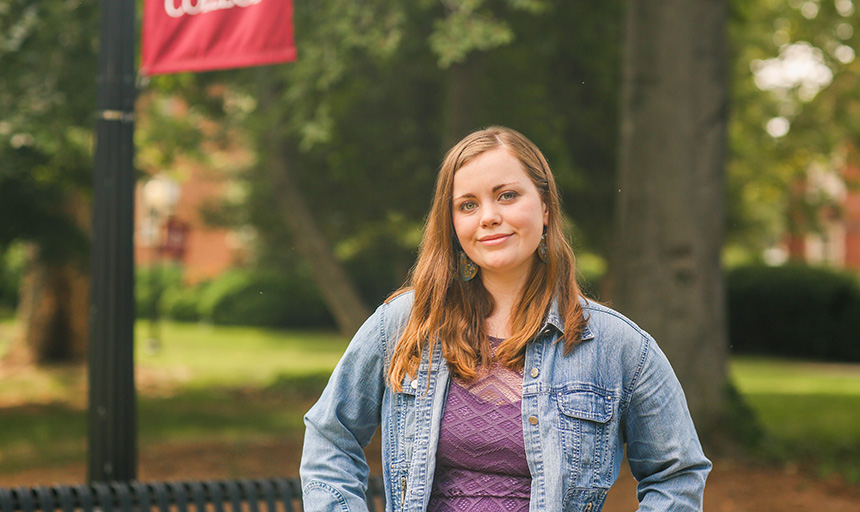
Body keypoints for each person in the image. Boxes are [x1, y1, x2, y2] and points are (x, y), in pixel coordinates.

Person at [300, 126, 711, 511]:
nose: (488, 216)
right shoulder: (406, 323)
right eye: (467, 205)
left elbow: (676, 473)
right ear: (453, 222)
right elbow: (330, 436)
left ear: (546, 207)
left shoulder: (618, 345)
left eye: (508, 195)